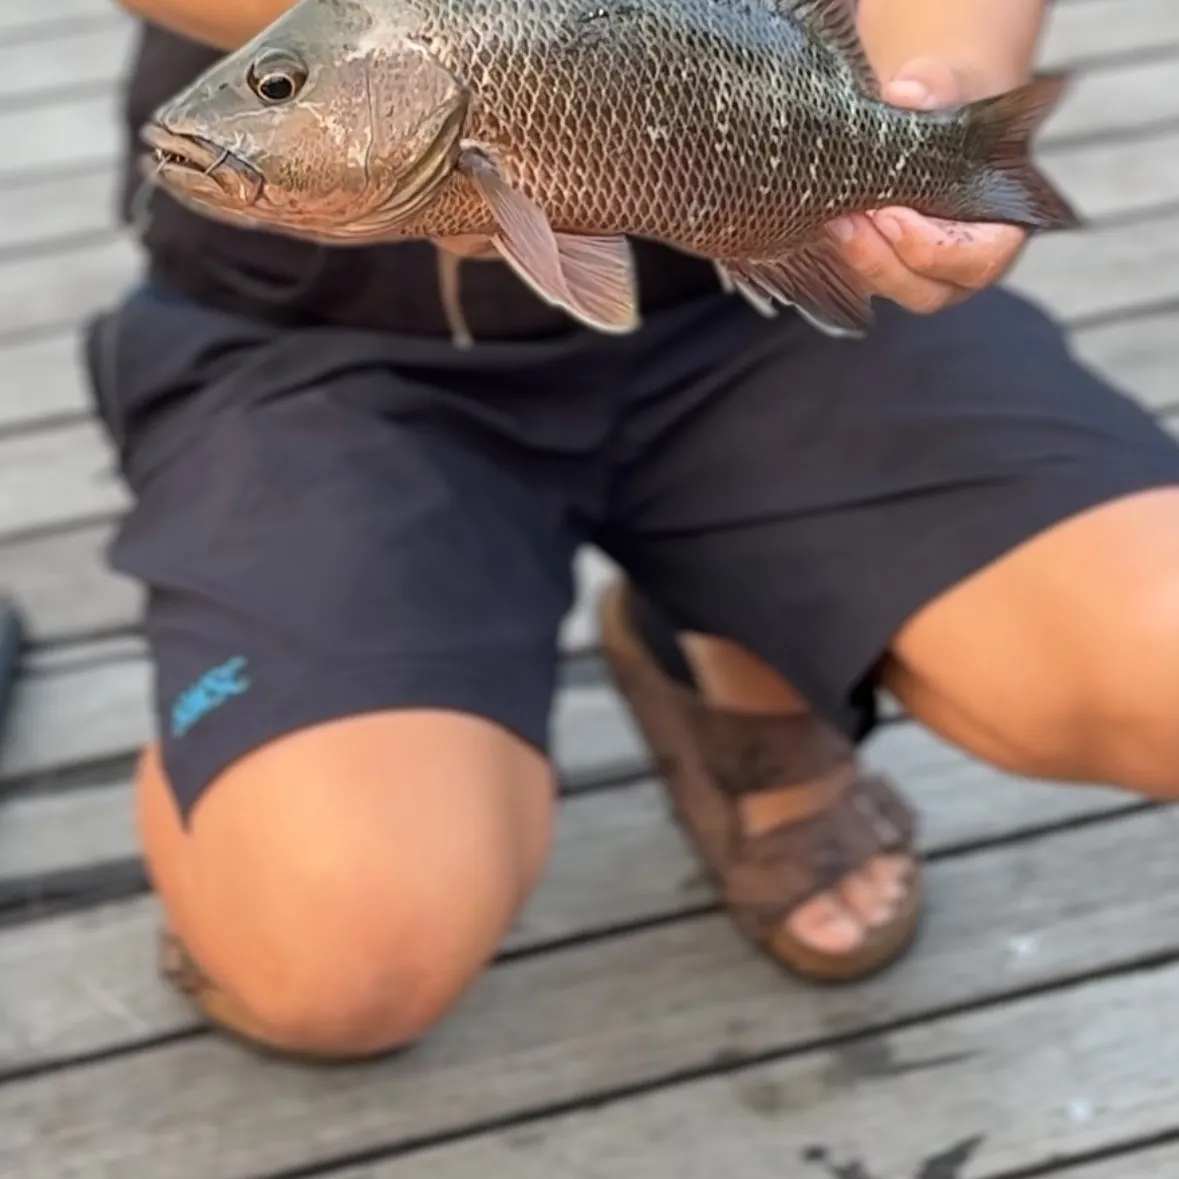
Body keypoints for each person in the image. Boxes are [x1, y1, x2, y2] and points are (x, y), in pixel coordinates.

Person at [88, 0, 1179, 1059]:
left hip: (750, 283)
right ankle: (290, 706)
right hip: (318, 338)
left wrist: (939, 96)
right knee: (343, 957)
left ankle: (719, 636)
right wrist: (479, 53)